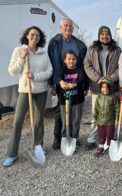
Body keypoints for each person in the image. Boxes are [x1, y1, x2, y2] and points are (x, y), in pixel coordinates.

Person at [4, 26, 52, 167]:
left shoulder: (43, 53)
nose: (35, 37)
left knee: (38, 121)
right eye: (32, 34)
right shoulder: (19, 51)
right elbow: (12, 71)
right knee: (18, 121)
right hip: (25, 90)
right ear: (27, 36)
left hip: (41, 91)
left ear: (40, 38)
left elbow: (50, 71)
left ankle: (38, 147)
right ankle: (12, 153)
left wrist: (35, 76)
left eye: (37, 35)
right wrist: (22, 58)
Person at [48, 18, 87, 150]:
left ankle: (73, 138)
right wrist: (52, 83)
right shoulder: (54, 42)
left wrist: (83, 86)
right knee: (60, 113)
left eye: (70, 26)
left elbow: (83, 69)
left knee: (75, 116)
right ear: (60, 27)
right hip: (60, 84)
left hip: (75, 88)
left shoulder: (80, 45)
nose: (68, 28)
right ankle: (58, 138)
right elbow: (50, 64)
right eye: (65, 26)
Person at [84, 26, 122, 150]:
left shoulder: (117, 50)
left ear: (110, 35)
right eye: (102, 34)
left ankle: (112, 138)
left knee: (113, 113)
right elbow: (87, 64)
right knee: (97, 114)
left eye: (107, 34)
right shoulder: (92, 49)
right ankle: (91, 138)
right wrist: (98, 79)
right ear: (99, 35)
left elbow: (120, 67)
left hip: (113, 88)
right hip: (97, 87)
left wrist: (111, 78)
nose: (105, 36)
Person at [55, 50, 86, 152]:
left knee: (76, 120)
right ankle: (65, 138)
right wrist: (62, 82)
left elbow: (81, 78)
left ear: (76, 60)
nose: (71, 61)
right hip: (64, 101)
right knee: (65, 121)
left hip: (77, 100)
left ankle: (74, 139)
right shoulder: (62, 70)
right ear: (65, 60)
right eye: (69, 59)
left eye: (73, 59)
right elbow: (57, 77)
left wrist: (75, 84)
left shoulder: (79, 70)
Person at [93, 76, 120, 157]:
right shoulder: (99, 97)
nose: (105, 89)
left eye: (107, 87)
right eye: (103, 87)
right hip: (100, 121)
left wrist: (117, 119)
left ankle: (109, 147)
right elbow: (96, 108)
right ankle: (100, 149)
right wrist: (95, 118)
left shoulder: (113, 98)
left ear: (110, 88)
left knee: (109, 135)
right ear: (101, 87)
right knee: (101, 136)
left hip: (110, 122)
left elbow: (118, 109)